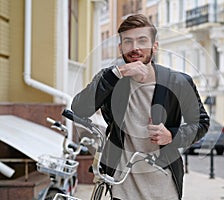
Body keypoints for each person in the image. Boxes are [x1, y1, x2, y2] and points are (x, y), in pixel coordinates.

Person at [71, 14, 210, 200]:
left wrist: (172, 135)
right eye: (128, 41)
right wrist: (118, 73)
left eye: (142, 40)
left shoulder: (178, 82)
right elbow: (80, 109)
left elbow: (201, 123)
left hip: (164, 186)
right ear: (120, 47)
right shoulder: (110, 78)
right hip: (122, 185)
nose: (135, 48)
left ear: (155, 46)